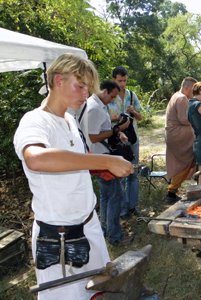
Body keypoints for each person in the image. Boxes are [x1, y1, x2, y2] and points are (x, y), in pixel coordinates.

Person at [13, 54, 133, 299]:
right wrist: (105, 160)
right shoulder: (35, 121)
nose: (85, 94)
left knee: (98, 290)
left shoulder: (69, 119)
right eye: (80, 86)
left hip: (88, 224)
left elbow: (71, 161)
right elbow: (37, 158)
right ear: (58, 81)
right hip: (59, 237)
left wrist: (100, 169)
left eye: (88, 88)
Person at [86, 80, 132, 245]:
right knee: (115, 196)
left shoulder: (97, 105)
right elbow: (92, 137)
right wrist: (116, 130)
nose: (112, 100)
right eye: (111, 96)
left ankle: (104, 230)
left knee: (106, 196)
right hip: (101, 158)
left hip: (100, 157)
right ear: (104, 91)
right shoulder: (94, 108)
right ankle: (115, 236)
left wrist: (115, 131)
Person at [110, 66, 143, 218]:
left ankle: (133, 206)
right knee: (121, 175)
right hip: (117, 139)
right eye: (119, 80)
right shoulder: (109, 97)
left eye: (124, 80)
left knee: (133, 173)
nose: (122, 84)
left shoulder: (131, 95)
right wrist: (116, 120)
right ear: (113, 80)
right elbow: (104, 119)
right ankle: (122, 210)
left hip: (133, 139)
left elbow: (141, 117)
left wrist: (133, 112)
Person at [165, 77, 197, 203]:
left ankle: (172, 189)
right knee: (188, 160)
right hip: (178, 135)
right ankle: (171, 191)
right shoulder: (182, 98)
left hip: (174, 135)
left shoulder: (177, 95)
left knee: (183, 162)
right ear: (187, 87)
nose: (194, 92)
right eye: (193, 89)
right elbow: (184, 119)